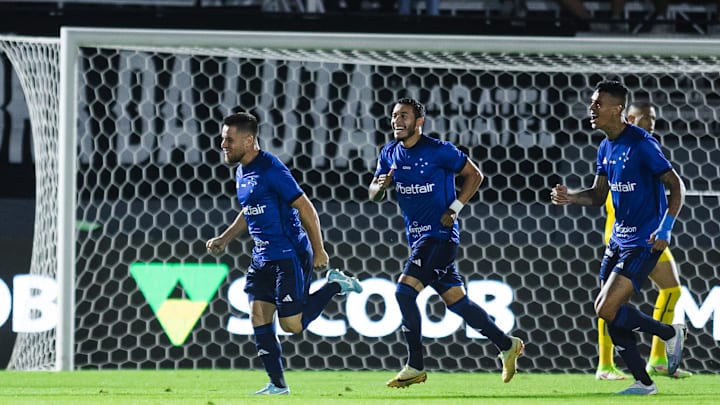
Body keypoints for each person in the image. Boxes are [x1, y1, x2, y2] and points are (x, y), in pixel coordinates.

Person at [368, 98, 524, 388]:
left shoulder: (439, 151)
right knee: (457, 302)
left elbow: (475, 175)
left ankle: (415, 365)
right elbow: (373, 192)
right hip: (417, 240)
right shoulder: (389, 153)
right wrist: (380, 187)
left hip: (440, 237)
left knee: (404, 292)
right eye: (394, 116)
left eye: (404, 116)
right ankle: (506, 344)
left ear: (419, 122)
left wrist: (455, 208)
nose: (397, 121)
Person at [206, 112, 363, 395]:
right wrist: (225, 238)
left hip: (288, 254)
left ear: (249, 140)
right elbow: (250, 209)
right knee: (258, 317)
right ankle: (278, 385)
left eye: (228, 139)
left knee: (292, 325)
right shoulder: (242, 170)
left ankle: (334, 285)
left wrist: (319, 250)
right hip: (262, 256)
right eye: (222, 138)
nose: (222, 144)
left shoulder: (271, 169)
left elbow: (306, 208)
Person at [551, 80, 687, 395]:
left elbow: (675, 184)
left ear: (617, 108)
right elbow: (599, 196)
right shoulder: (605, 147)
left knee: (606, 308)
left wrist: (666, 227)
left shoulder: (642, 143)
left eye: (598, 103)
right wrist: (570, 197)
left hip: (644, 241)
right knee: (610, 312)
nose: (592, 109)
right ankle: (644, 382)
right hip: (617, 241)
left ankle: (668, 333)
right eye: (591, 103)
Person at [595, 101, 692, 381]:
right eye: (647, 117)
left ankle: (656, 359)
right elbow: (612, 196)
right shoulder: (621, 146)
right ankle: (607, 364)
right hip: (630, 236)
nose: (652, 122)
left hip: (646, 234)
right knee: (610, 303)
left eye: (654, 118)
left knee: (669, 289)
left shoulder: (644, 147)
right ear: (630, 116)